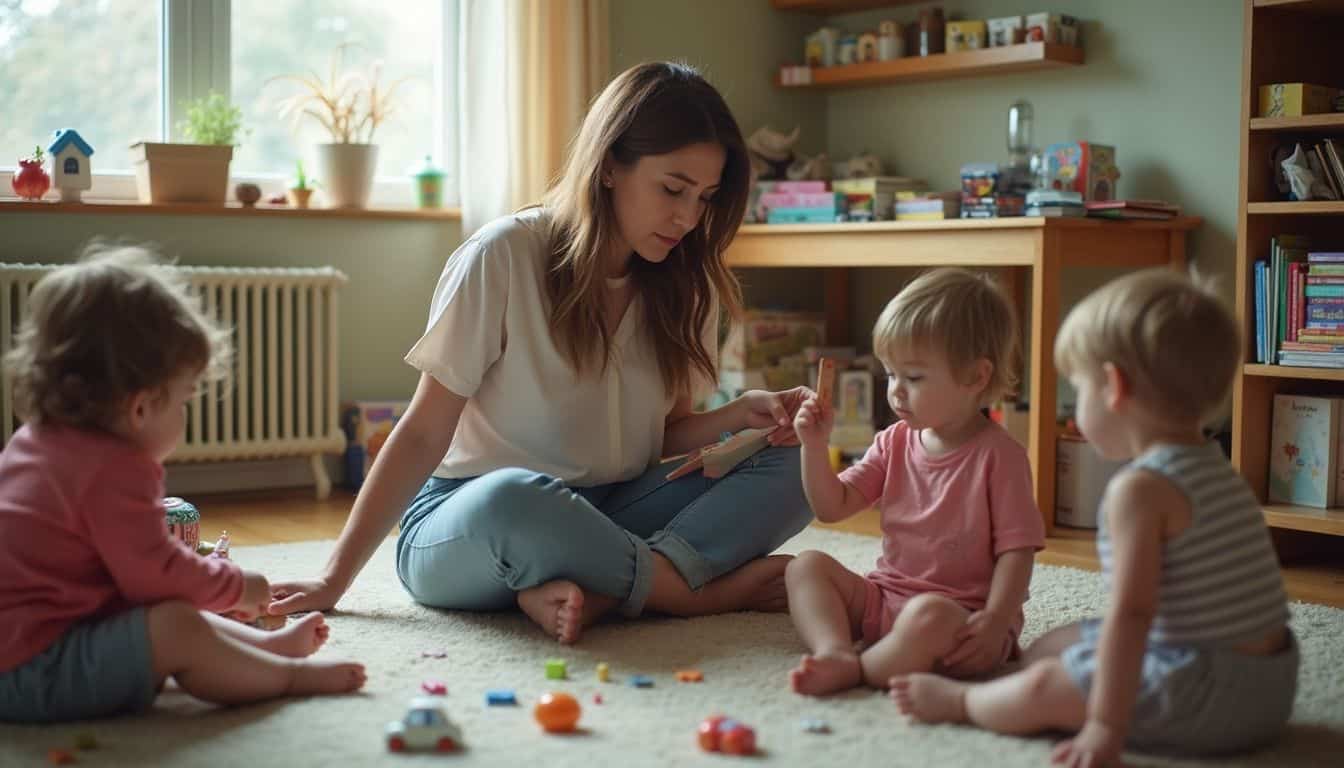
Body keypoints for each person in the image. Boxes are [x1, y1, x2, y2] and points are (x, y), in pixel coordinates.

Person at [268, 62, 813, 644]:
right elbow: (424, 432)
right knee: (514, 497)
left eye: (704, 198)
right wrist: (333, 578)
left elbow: (664, 437)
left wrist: (741, 416)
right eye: (672, 189)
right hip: (477, 518)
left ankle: (600, 585)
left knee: (800, 463)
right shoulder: (502, 255)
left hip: (612, 511)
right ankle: (677, 591)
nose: (687, 217)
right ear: (608, 166)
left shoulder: (685, 285)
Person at [892, 269, 1297, 765]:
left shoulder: (1140, 491)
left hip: (1207, 695)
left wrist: (1105, 725)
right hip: (1269, 682)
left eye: (1076, 389)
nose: (1074, 408)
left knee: (1046, 683)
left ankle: (961, 702)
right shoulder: (1213, 466)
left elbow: (1133, 615)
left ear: (1113, 387)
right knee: (1051, 644)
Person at [0, 246, 366, 723]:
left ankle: (267, 648)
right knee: (173, 625)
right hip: (34, 672)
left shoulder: (38, 440)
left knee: (167, 607)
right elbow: (155, 574)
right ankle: (286, 678)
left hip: (28, 648)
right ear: (140, 407)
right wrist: (236, 586)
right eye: (184, 400)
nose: (185, 415)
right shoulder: (113, 467)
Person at [786, 267, 1045, 696]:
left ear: (976, 378)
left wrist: (997, 621)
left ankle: (863, 671)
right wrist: (813, 447)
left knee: (928, 616)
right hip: (885, 598)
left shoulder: (1002, 458)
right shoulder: (894, 441)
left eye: (915, 377)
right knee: (806, 566)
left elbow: (1018, 553)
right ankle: (835, 650)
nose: (896, 392)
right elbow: (831, 508)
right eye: (891, 374)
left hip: (959, 621)